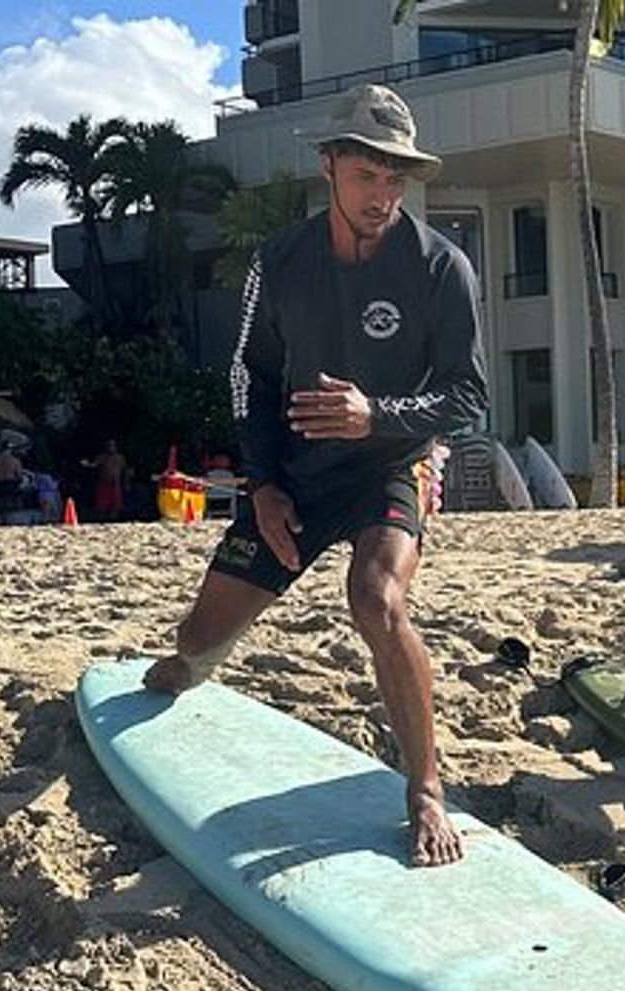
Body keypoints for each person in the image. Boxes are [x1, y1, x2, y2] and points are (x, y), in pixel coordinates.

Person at [142, 83, 488, 866]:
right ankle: (191, 666)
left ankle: (426, 789)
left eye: (397, 178)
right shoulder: (281, 261)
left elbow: (469, 395)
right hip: (294, 476)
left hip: (386, 469)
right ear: (329, 166)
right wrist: (262, 483)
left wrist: (380, 416)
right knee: (194, 643)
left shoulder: (441, 268)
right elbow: (248, 377)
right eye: (369, 174)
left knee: (376, 598)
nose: (384, 193)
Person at [88, 438, 129, 521]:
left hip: (116, 484)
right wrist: (88, 464)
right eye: (109, 445)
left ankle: (113, 521)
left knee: (116, 506)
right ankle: (102, 521)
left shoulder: (120, 458)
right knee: (102, 506)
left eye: (113, 445)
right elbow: (94, 465)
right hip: (104, 484)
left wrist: (126, 484)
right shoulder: (101, 457)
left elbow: (124, 472)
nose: (111, 447)